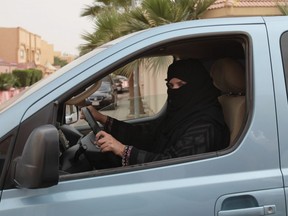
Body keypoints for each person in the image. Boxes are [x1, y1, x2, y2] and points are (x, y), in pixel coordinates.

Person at [84, 59, 230, 166]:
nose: (175, 90)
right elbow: (149, 136)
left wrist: (122, 150)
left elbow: (173, 165)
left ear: (198, 85)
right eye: (170, 85)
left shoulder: (205, 126)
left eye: (181, 85)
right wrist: (102, 118)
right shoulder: (180, 115)